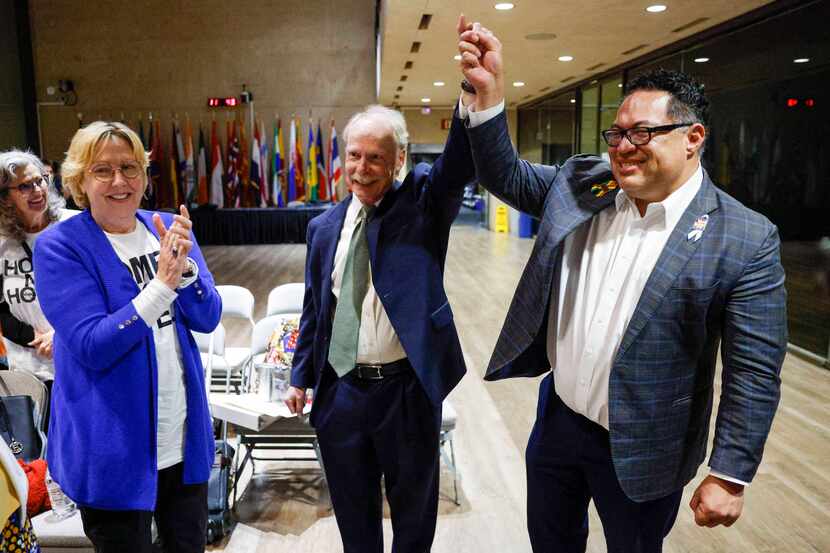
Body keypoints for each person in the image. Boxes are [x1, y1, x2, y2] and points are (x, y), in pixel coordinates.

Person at [456, 17, 787, 552]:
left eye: (643, 134)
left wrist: (729, 472)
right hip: (559, 421)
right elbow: (508, 177)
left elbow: (753, 371)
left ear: (693, 138)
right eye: (617, 133)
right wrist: (489, 94)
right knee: (550, 542)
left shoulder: (744, 238)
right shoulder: (588, 184)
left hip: (645, 445)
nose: (625, 147)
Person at [284, 104, 473, 553]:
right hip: (342, 393)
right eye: (353, 155)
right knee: (354, 521)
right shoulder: (323, 227)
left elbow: (457, 166)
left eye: (375, 158)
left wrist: (470, 102)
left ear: (399, 160)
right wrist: (300, 376)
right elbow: (317, 309)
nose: (361, 168)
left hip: (405, 393)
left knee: (413, 522)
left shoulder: (423, 208)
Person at [32, 121, 221, 553]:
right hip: (113, 450)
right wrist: (160, 287)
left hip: (181, 439)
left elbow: (208, 317)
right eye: (102, 170)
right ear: (79, 179)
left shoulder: (167, 227)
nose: (120, 181)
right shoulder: (60, 246)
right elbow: (93, 345)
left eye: (130, 168)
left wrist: (186, 270)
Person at [0, 151, 76, 384]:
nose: (37, 190)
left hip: (79, 357)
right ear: (4, 197)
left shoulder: (74, 226)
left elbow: (101, 291)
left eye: (40, 180)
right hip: (30, 373)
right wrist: (34, 337)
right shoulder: (2, 241)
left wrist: (62, 335)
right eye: (24, 186)